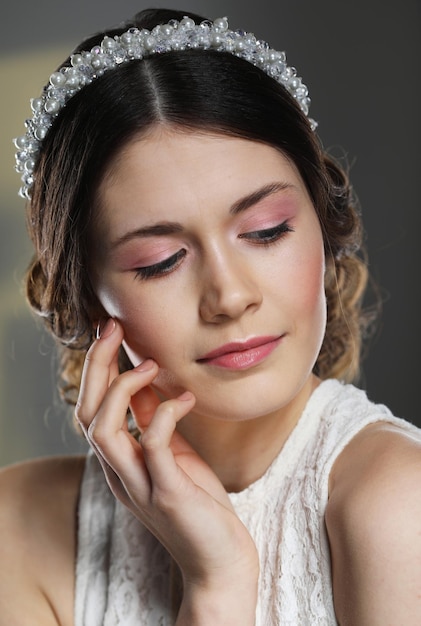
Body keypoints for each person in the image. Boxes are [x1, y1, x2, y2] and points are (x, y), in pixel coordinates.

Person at [1, 7, 421, 625]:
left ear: (324, 228)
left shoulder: (397, 503)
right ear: (88, 299)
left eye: (267, 230)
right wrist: (217, 583)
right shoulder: (18, 525)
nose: (229, 295)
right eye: (161, 261)